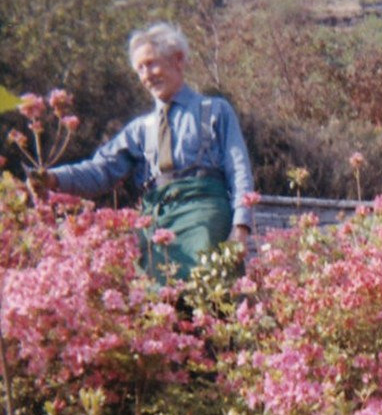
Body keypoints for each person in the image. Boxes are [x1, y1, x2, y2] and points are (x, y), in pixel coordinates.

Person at [34, 22, 254, 280]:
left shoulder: (215, 110)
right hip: (158, 223)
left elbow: (239, 170)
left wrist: (241, 228)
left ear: (178, 60)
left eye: (151, 63)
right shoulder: (140, 129)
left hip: (205, 216)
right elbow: (101, 171)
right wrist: (53, 178)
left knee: (207, 297)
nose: (147, 74)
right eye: (140, 68)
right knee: (158, 304)